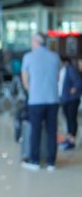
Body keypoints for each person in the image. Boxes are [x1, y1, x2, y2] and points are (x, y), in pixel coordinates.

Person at [21, 32, 61, 171]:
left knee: (35, 130)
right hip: (53, 99)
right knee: (52, 131)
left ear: (36, 42)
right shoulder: (55, 56)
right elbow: (57, 78)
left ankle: (34, 161)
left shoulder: (28, 57)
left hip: (36, 100)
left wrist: (30, 90)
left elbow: (25, 78)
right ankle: (51, 162)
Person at [58, 56, 82, 150]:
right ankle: (69, 138)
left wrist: (73, 89)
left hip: (72, 100)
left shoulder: (70, 69)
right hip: (65, 99)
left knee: (71, 119)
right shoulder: (62, 70)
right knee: (68, 119)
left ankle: (72, 140)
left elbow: (79, 82)